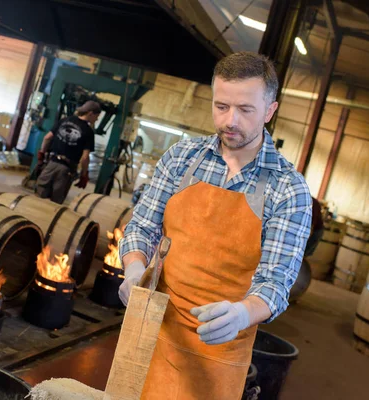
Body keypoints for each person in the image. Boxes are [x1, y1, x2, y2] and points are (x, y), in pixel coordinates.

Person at [118, 52, 312, 399]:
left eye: (245, 109)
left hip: (221, 350)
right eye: (221, 106)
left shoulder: (288, 188)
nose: (230, 121)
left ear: (269, 111)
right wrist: (134, 271)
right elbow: (142, 228)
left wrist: (241, 314)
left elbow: (276, 283)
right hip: (151, 331)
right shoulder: (181, 159)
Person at [35, 100, 101, 204]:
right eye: (97, 116)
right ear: (90, 113)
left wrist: (41, 154)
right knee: (54, 203)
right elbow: (85, 157)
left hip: (51, 163)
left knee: (38, 198)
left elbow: (47, 138)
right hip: (66, 170)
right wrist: (84, 175)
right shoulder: (88, 131)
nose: (97, 119)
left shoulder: (65, 120)